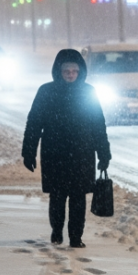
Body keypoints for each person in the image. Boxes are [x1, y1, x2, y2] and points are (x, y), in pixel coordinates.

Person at [22, 49, 111, 248]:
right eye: (66, 71)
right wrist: (28, 152)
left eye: (74, 71)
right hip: (55, 152)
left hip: (82, 152)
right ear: (58, 71)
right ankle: (56, 230)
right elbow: (34, 123)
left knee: (78, 198)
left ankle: (76, 237)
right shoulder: (46, 91)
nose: (71, 75)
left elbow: (98, 124)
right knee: (58, 196)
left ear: (80, 72)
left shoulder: (88, 92)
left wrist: (103, 153)